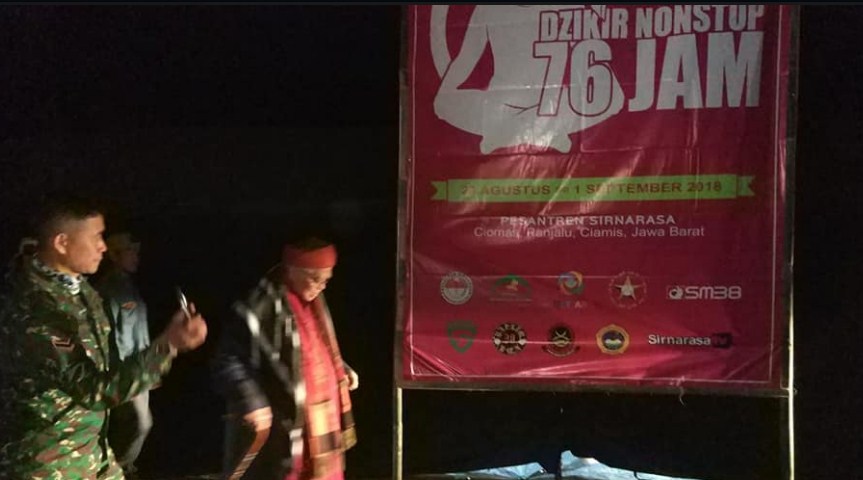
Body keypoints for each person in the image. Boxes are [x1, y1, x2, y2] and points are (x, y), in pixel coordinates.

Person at [0, 194, 208, 479]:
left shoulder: (80, 290)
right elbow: (92, 389)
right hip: (47, 463)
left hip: (91, 452)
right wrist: (167, 344)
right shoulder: (34, 312)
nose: (103, 246)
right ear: (62, 243)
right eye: (96, 237)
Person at [214, 237, 358, 480]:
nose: (322, 286)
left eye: (326, 280)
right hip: (286, 429)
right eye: (315, 278)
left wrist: (340, 369)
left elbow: (316, 352)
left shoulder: (316, 302)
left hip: (322, 428)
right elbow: (227, 360)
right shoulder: (261, 305)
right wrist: (251, 399)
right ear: (291, 270)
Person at [95, 232, 152, 477]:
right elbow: (109, 337)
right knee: (139, 423)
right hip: (125, 369)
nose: (135, 256)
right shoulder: (108, 289)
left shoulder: (128, 286)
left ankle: (122, 469)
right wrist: (119, 375)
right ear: (114, 256)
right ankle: (117, 469)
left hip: (141, 366)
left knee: (137, 424)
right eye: (130, 251)